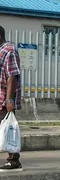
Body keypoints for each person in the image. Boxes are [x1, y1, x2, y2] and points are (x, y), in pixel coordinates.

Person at [0, 25, 22, 170]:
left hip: (4, 99)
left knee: (8, 129)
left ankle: (14, 160)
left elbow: (12, 76)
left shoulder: (9, 51)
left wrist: (9, 99)